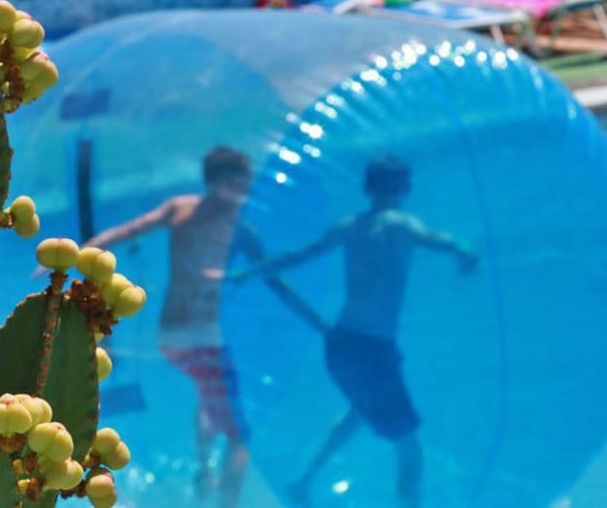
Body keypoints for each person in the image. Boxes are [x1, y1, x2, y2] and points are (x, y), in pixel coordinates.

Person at [231, 155, 477, 507]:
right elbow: (441, 241)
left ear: (366, 188)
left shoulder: (348, 227)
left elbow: (297, 254)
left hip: (340, 345)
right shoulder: (401, 224)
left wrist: (252, 270)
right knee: (410, 450)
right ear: (405, 188)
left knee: (359, 412)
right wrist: (465, 251)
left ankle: (302, 481)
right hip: (373, 349)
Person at [85, 146, 305, 507]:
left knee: (207, 395)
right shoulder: (236, 225)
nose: (246, 189)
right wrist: (80, 253)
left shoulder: (189, 210)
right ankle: (225, 501)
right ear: (220, 181)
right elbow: (274, 280)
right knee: (240, 434)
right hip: (202, 340)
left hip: (173, 338)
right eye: (240, 182)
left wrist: (84, 251)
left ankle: (204, 470)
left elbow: (125, 232)